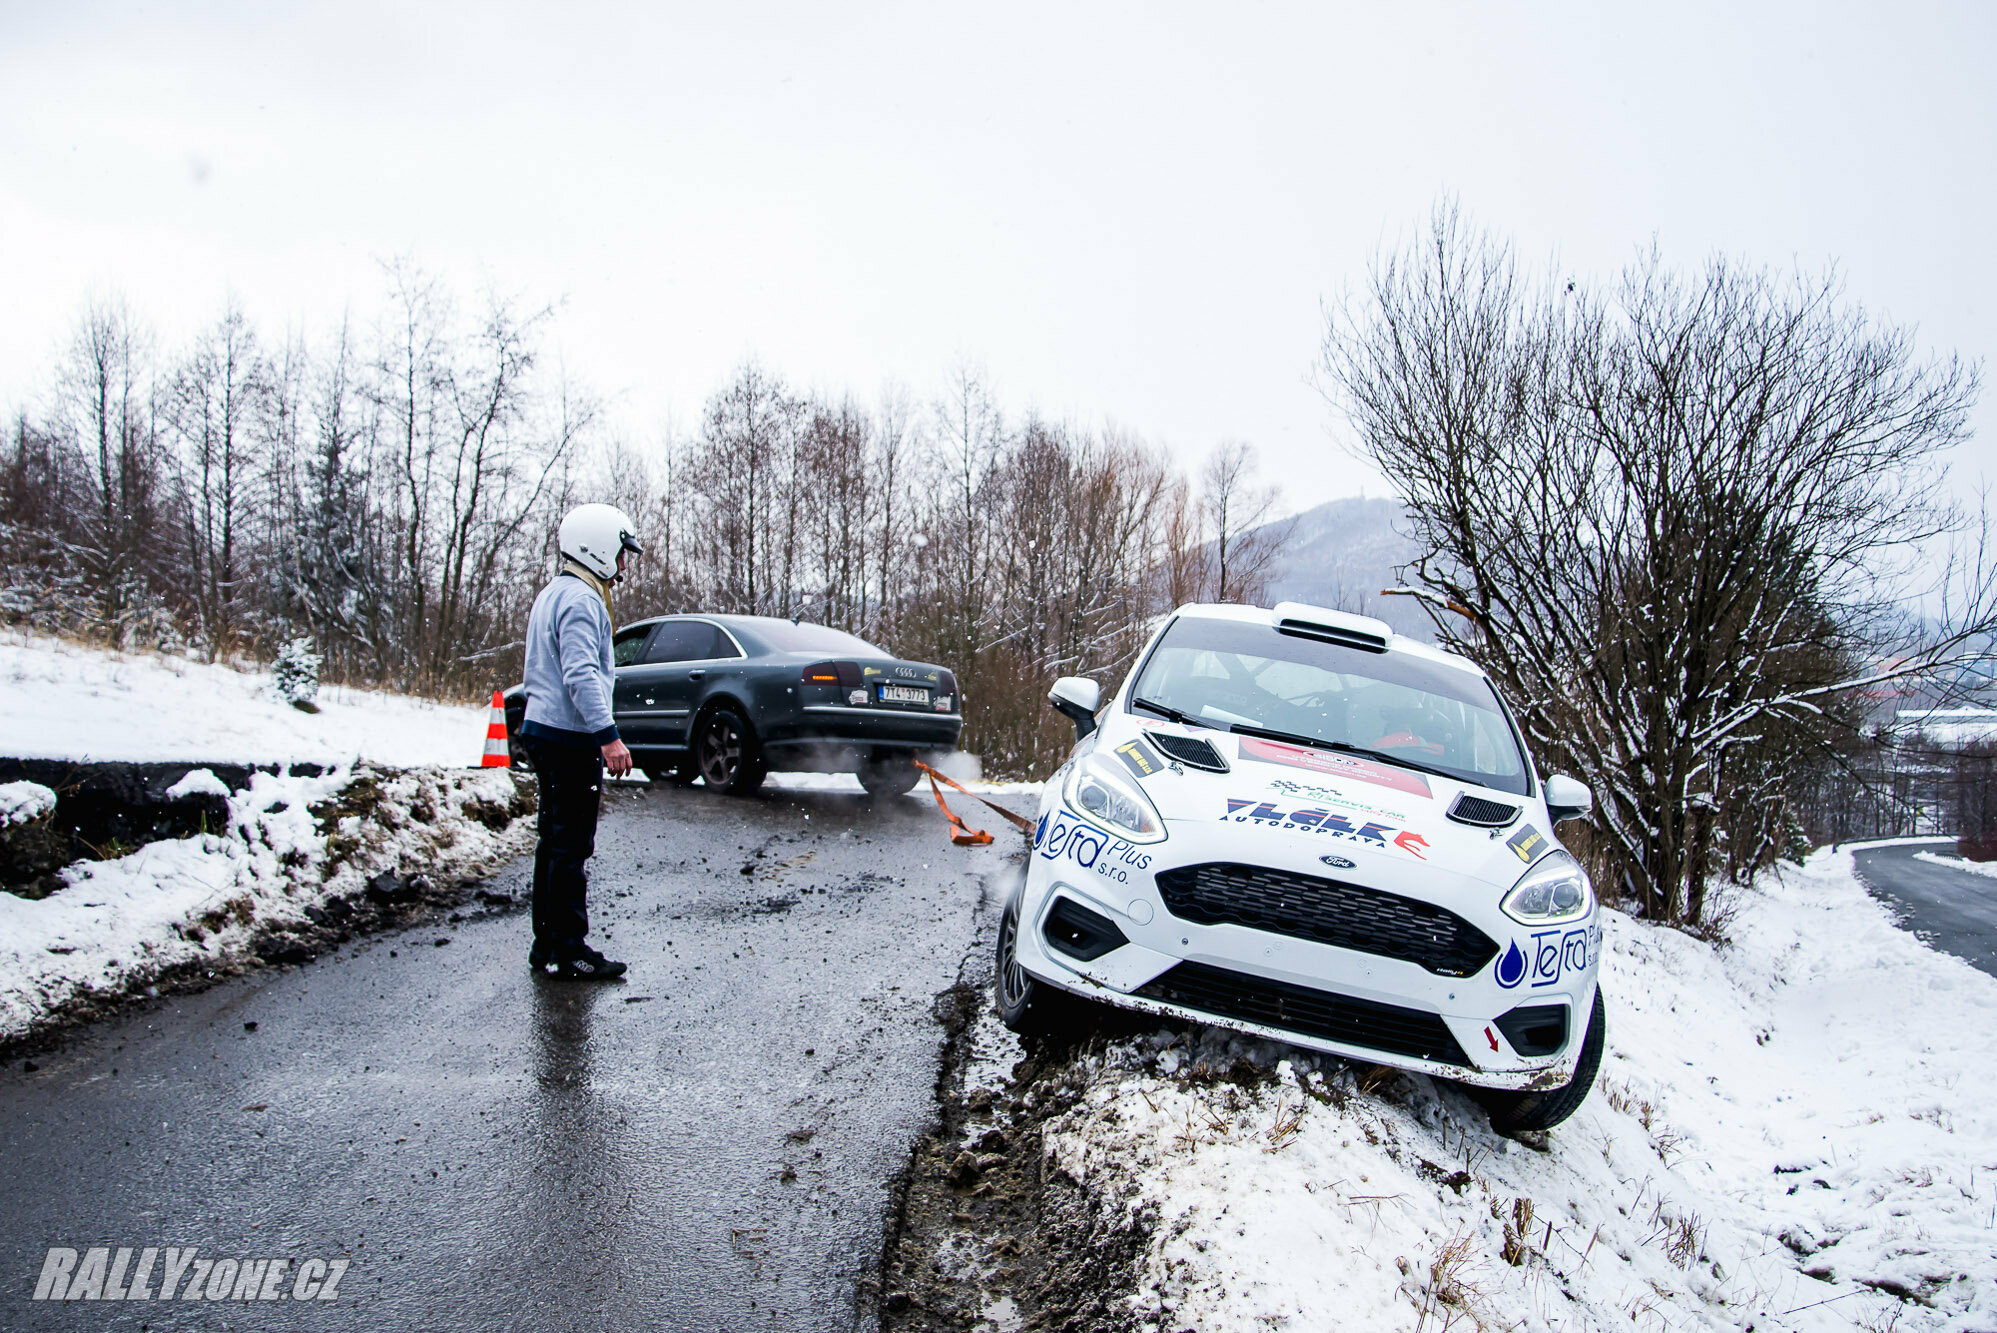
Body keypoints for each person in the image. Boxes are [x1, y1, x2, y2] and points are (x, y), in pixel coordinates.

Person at [518, 503, 642, 980]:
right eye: (622, 552)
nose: (624, 564)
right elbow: (581, 673)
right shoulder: (581, 601)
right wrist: (608, 736)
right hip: (569, 738)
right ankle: (569, 951)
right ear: (599, 547)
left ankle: (547, 945)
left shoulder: (555, 592)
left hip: (545, 730)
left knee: (553, 846)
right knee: (571, 848)